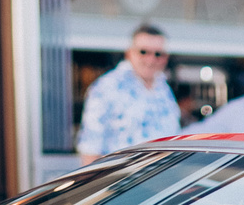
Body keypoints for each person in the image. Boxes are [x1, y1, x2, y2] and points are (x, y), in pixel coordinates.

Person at [76, 23, 181, 162]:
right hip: (123, 182)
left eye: (158, 54)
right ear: (129, 53)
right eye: (143, 52)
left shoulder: (163, 89)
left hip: (163, 180)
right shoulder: (107, 87)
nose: (151, 59)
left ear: (166, 58)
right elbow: (90, 148)